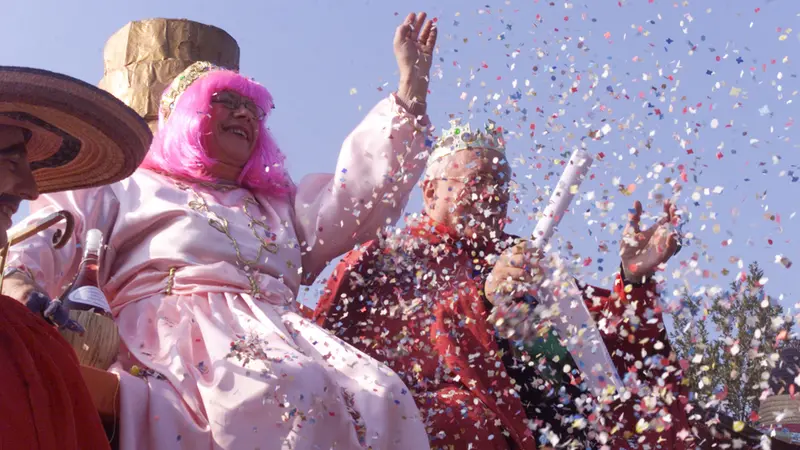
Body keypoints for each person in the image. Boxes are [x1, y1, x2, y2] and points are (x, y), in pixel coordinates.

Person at [3, 12, 438, 450]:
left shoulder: (276, 202)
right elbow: (56, 228)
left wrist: (409, 94)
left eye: (253, 108)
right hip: (179, 335)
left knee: (384, 394)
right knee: (290, 386)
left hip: (286, 334)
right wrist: (20, 280)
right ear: (185, 115)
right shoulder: (128, 182)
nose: (245, 113)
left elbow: (354, 200)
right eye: (226, 101)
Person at [313, 119, 769, 449]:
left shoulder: (527, 259)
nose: (494, 194)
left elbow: (612, 359)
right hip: (469, 423)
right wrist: (482, 301)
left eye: (503, 183)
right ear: (432, 191)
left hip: (568, 424)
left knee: (686, 426)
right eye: (479, 180)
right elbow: (351, 364)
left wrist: (634, 278)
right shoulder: (386, 258)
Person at [0, 66, 152, 449]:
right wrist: (19, 282)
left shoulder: (26, 338)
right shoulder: (110, 193)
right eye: (10, 161)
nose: (31, 190)